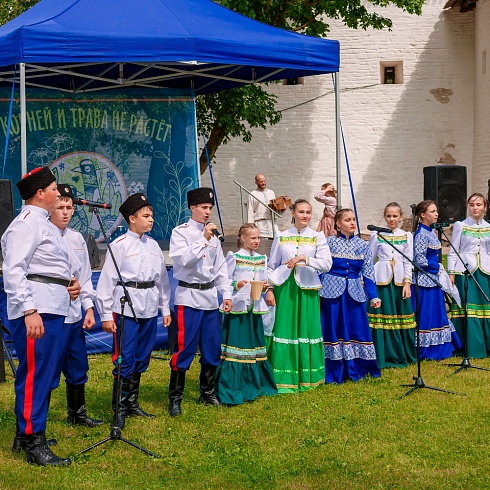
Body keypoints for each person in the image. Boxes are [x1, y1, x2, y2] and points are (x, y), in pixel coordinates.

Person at [1, 166, 80, 466]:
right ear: (40, 193)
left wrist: (69, 283)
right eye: (54, 190)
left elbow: (48, 265)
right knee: (37, 374)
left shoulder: (44, 224)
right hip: (38, 308)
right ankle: (35, 441)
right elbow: (14, 270)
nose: (58, 194)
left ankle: (25, 434)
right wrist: (29, 310)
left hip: (52, 304)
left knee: (41, 373)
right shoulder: (26, 224)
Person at [96, 193, 171, 428]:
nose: (151, 220)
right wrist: (106, 315)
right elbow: (106, 282)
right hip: (126, 307)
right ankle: (119, 407)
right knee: (124, 357)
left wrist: (165, 308)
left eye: (152, 216)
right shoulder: (119, 246)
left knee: (141, 356)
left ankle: (132, 402)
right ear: (132, 218)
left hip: (149, 306)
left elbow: (162, 280)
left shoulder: (153, 246)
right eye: (146, 216)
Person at [168, 187, 233, 417]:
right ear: (193, 208)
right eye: (204, 208)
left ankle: (207, 392)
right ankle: (175, 397)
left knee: (212, 346)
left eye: (210, 208)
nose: (207, 212)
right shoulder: (181, 232)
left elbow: (220, 267)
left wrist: (226, 294)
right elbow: (184, 260)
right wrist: (203, 239)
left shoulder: (214, 237)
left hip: (209, 297)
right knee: (184, 347)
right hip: (188, 296)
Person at [49, 184, 102, 427]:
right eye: (60, 207)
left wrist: (89, 308)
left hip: (74, 315)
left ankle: (77, 414)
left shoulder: (77, 237)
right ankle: (38, 422)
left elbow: (85, 276)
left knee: (78, 363)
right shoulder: (43, 234)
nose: (65, 212)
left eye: (69, 207)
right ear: (51, 207)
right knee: (49, 369)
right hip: (51, 315)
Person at [265, 199, 332, 393]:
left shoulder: (317, 237)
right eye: (301, 211)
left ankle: (307, 377)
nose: (305, 215)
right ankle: (283, 377)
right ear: (293, 213)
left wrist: (305, 258)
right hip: (285, 289)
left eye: (308, 212)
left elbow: (327, 264)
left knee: (307, 330)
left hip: (308, 289)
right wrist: (269, 289)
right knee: (284, 329)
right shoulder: (282, 236)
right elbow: (271, 265)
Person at [215, 223, 277, 405]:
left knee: (254, 344)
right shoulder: (234, 257)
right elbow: (224, 279)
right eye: (253, 238)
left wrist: (266, 287)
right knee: (237, 344)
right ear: (242, 238)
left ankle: (254, 384)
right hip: (238, 306)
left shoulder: (261, 258)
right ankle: (233, 386)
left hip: (255, 306)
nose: (257, 241)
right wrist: (236, 284)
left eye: (258, 238)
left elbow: (263, 278)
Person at [320, 209, 381, 384]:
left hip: (354, 293)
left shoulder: (363, 245)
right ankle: (333, 369)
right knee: (333, 329)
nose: (352, 223)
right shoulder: (328, 242)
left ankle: (359, 366)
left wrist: (373, 296)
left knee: (357, 329)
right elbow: (320, 267)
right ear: (338, 224)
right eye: (347, 220)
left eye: (354, 219)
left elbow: (368, 273)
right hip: (330, 292)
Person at [367, 203, 417, 368]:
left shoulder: (407, 235)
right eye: (388, 216)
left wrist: (407, 283)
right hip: (382, 279)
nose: (391, 219)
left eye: (395, 216)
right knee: (382, 318)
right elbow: (369, 259)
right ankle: (382, 353)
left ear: (401, 217)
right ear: (385, 217)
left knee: (401, 317)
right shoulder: (377, 234)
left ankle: (402, 353)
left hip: (400, 280)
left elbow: (409, 261)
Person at [411, 200, 462, 360]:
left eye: (436, 211)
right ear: (422, 215)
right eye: (432, 211)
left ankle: (440, 345)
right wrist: (437, 266)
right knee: (427, 314)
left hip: (433, 280)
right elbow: (419, 260)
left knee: (436, 313)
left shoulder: (430, 232)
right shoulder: (420, 234)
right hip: (424, 281)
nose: (436, 214)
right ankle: (427, 349)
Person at [448, 193, 490, 358]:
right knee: (468, 307)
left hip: (485, 271)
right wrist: (451, 272)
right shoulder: (461, 225)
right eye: (472, 204)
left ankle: (486, 345)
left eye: (479, 205)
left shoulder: (488, 227)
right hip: (465, 270)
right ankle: (469, 346)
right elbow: (453, 251)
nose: (475, 208)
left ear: (485, 207)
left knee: (485, 308)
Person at [247, 174, 277, 238]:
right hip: (259, 224)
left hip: (271, 224)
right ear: (256, 182)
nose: (263, 183)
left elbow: (275, 209)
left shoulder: (271, 192)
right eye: (261, 181)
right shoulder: (252, 194)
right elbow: (250, 211)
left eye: (264, 181)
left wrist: (281, 209)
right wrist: (251, 226)